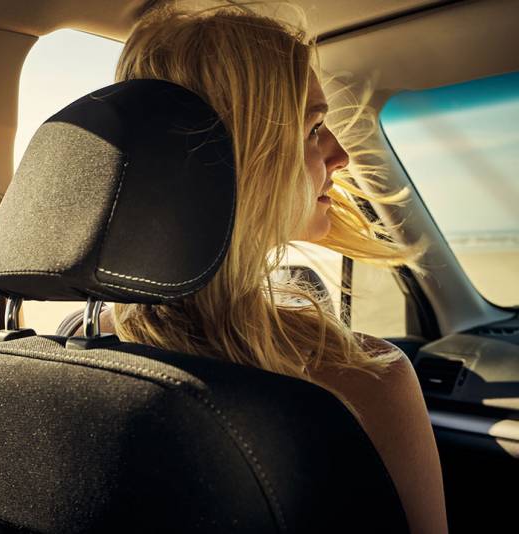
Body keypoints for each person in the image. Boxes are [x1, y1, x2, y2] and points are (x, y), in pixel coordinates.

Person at [93, 4, 446, 533]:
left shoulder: (81, 349)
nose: (341, 155)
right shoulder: (362, 380)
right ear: (241, 152)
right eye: (314, 128)